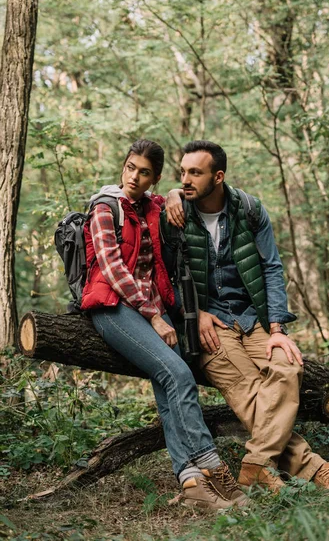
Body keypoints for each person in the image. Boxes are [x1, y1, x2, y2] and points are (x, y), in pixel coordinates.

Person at [162, 140, 329, 493]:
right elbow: (164, 279)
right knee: (247, 388)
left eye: (195, 173)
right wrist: (195, 313)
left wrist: (277, 328)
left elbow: (271, 267)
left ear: (218, 177)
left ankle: (256, 464)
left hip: (254, 318)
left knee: (287, 367)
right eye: (182, 172)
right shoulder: (173, 216)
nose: (185, 179)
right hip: (210, 326)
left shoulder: (249, 209)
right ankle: (317, 469)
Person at [80, 139, 249, 510]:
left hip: (149, 308)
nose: (133, 177)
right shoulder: (105, 208)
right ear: (123, 167)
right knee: (179, 375)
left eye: (144, 172)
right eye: (129, 167)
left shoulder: (153, 206)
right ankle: (212, 466)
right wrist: (154, 315)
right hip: (112, 307)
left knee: (167, 381)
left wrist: (173, 191)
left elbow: (182, 196)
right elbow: (112, 270)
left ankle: (191, 484)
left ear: (154, 178)